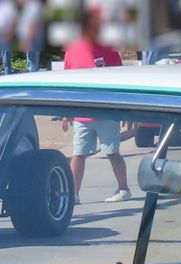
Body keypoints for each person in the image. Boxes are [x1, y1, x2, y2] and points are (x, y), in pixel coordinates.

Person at [62, 7, 128, 201]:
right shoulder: (72, 51)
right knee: (78, 154)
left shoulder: (108, 49)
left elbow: (121, 80)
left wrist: (124, 108)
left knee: (112, 152)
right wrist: (65, 112)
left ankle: (123, 188)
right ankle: (73, 194)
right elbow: (66, 84)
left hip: (106, 112)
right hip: (82, 113)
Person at [0, 0, 19, 72]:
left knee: (6, 61)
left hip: (5, 35)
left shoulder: (7, 4)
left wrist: (9, 34)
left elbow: (14, 20)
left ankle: (7, 78)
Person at [17, 0, 45, 70]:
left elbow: (33, 25)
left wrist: (27, 41)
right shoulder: (30, 6)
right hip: (32, 40)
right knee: (32, 62)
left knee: (32, 63)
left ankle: (33, 79)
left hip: (32, 40)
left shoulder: (33, 6)